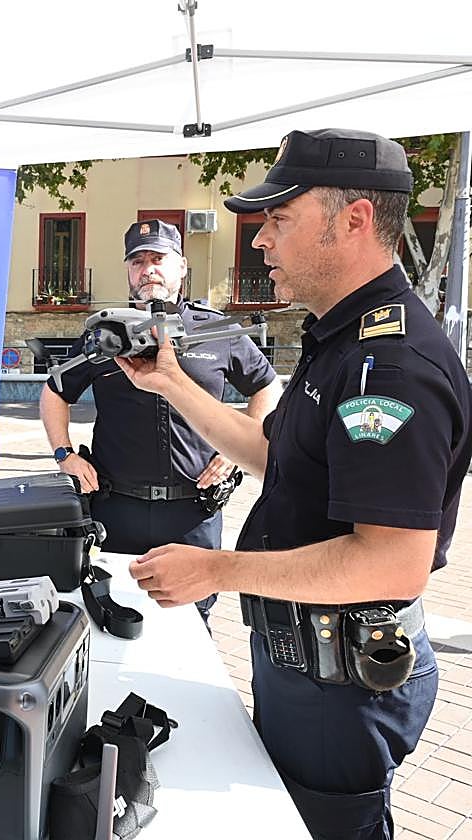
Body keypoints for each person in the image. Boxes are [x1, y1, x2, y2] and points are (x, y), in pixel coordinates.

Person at [116, 128, 472, 840]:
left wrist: (215, 568)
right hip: (309, 665)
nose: (260, 241)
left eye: (280, 220)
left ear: (355, 220)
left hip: (344, 684)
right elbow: (270, 449)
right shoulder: (341, 338)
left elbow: (392, 561)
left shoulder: (391, 365)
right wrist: (173, 385)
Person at [40, 219, 281, 622]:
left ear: (181, 267)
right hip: (117, 510)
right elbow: (54, 391)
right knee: (113, 615)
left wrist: (238, 449)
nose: (148, 268)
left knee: (190, 624)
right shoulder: (107, 335)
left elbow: (267, 387)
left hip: (193, 513)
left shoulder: (216, 330)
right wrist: (65, 455)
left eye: (158, 258)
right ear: (128, 271)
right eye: (138, 261)